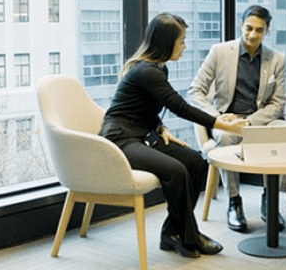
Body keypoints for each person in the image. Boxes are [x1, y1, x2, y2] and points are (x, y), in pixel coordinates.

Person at [98, 13, 245, 259]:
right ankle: (190, 236)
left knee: (196, 162)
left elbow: (147, 106)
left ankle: (171, 232)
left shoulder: (158, 69)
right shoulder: (145, 70)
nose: (184, 47)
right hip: (119, 139)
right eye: (182, 41)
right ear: (167, 43)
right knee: (176, 171)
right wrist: (221, 123)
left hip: (142, 135)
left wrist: (160, 127)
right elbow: (179, 106)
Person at [189, 4, 286, 232]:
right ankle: (234, 202)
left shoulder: (277, 59)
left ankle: (271, 200)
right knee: (224, 138)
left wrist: (251, 122)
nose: (253, 35)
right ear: (241, 25)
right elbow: (196, 90)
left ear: (267, 30)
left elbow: (278, 103)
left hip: (261, 120)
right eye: (249, 28)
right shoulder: (219, 52)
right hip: (228, 119)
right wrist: (218, 118)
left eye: (259, 30)